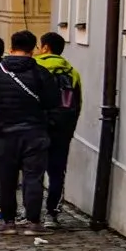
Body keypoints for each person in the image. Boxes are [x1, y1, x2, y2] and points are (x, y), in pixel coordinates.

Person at [0, 30, 57, 234]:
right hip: (35, 131)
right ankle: (33, 222)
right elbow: (52, 101)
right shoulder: (41, 72)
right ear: (33, 49)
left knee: (6, 179)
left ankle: (8, 222)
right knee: (33, 178)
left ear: (11, 47)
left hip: (5, 131)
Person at [36, 31, 84, 222]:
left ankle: (32, 212)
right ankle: (52, 212)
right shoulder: (72, 72)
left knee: (34, 171)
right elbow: (77, 103)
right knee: (57, 171)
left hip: (37, 127)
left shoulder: (35, 67)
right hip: (62, 129)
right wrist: (69, 129)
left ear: (45, 47)